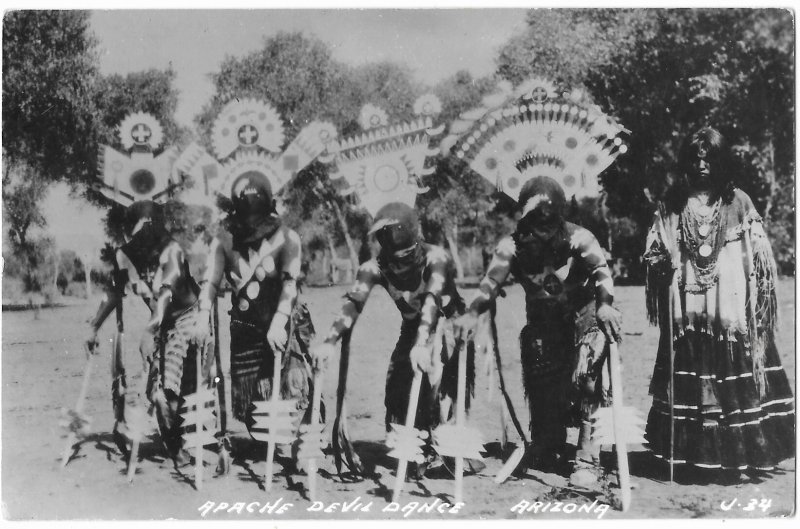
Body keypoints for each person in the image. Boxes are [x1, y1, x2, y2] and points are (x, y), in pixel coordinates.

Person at [643, 127, 794, 478]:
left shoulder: (738, 202)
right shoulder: (672, 203)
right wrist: (657, 262)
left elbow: (761, 256)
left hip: (731, 315)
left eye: (709, 158)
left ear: (722, 161)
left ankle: (739, 460)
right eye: (695, 158)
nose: (702, 165)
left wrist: (759, 297)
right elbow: (654, 249)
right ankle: (690, 461)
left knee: (734, 378)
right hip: (688, 316)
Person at [456, 176, 622, 487]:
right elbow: (490, 283)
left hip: (583, 322)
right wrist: (472, 312)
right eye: (535, 219)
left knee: (587, 379)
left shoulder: (579, 237)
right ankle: (549, 443)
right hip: (543, 327)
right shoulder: (512, 245)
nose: (543, 229)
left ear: (560, 214)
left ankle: (587, 455)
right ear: (524, 216)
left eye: (550, 218)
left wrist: (604, 306)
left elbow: (602, 271)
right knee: (545, 389)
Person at [312, 202, 469, 476]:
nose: (398, 261)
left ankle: (444, 451)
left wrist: (422, 345)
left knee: (440, 389)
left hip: (448, 326)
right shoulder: (375, 266)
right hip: (413, 329)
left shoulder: (436, 257)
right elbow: (353, 303)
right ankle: (413, 450)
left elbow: (432, 300)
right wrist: (330, 340)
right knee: (398, 386)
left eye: (405, 255)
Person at [86, 200, 217, 467]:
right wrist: (93, 326)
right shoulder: (125, 255)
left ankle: (179, 443)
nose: (144, 240)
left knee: (168, 388)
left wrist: (149, 330)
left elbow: (166, 294)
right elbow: (114, 292)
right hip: (159, 322)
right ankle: (167, 440)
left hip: (186, 317)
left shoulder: (172, 251)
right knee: (155, 390)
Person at [194, 171, 316, 435]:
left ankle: (301, 437)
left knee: (293, 386)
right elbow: (210, 282)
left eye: (256, 217)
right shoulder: (224, 241)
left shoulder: (287, 238)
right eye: (245, 216)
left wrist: (279, 322)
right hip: (246, 329)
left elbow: (290, 284)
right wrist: (203, 316)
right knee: (258, 417)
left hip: (284, 325)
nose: (251, 223)